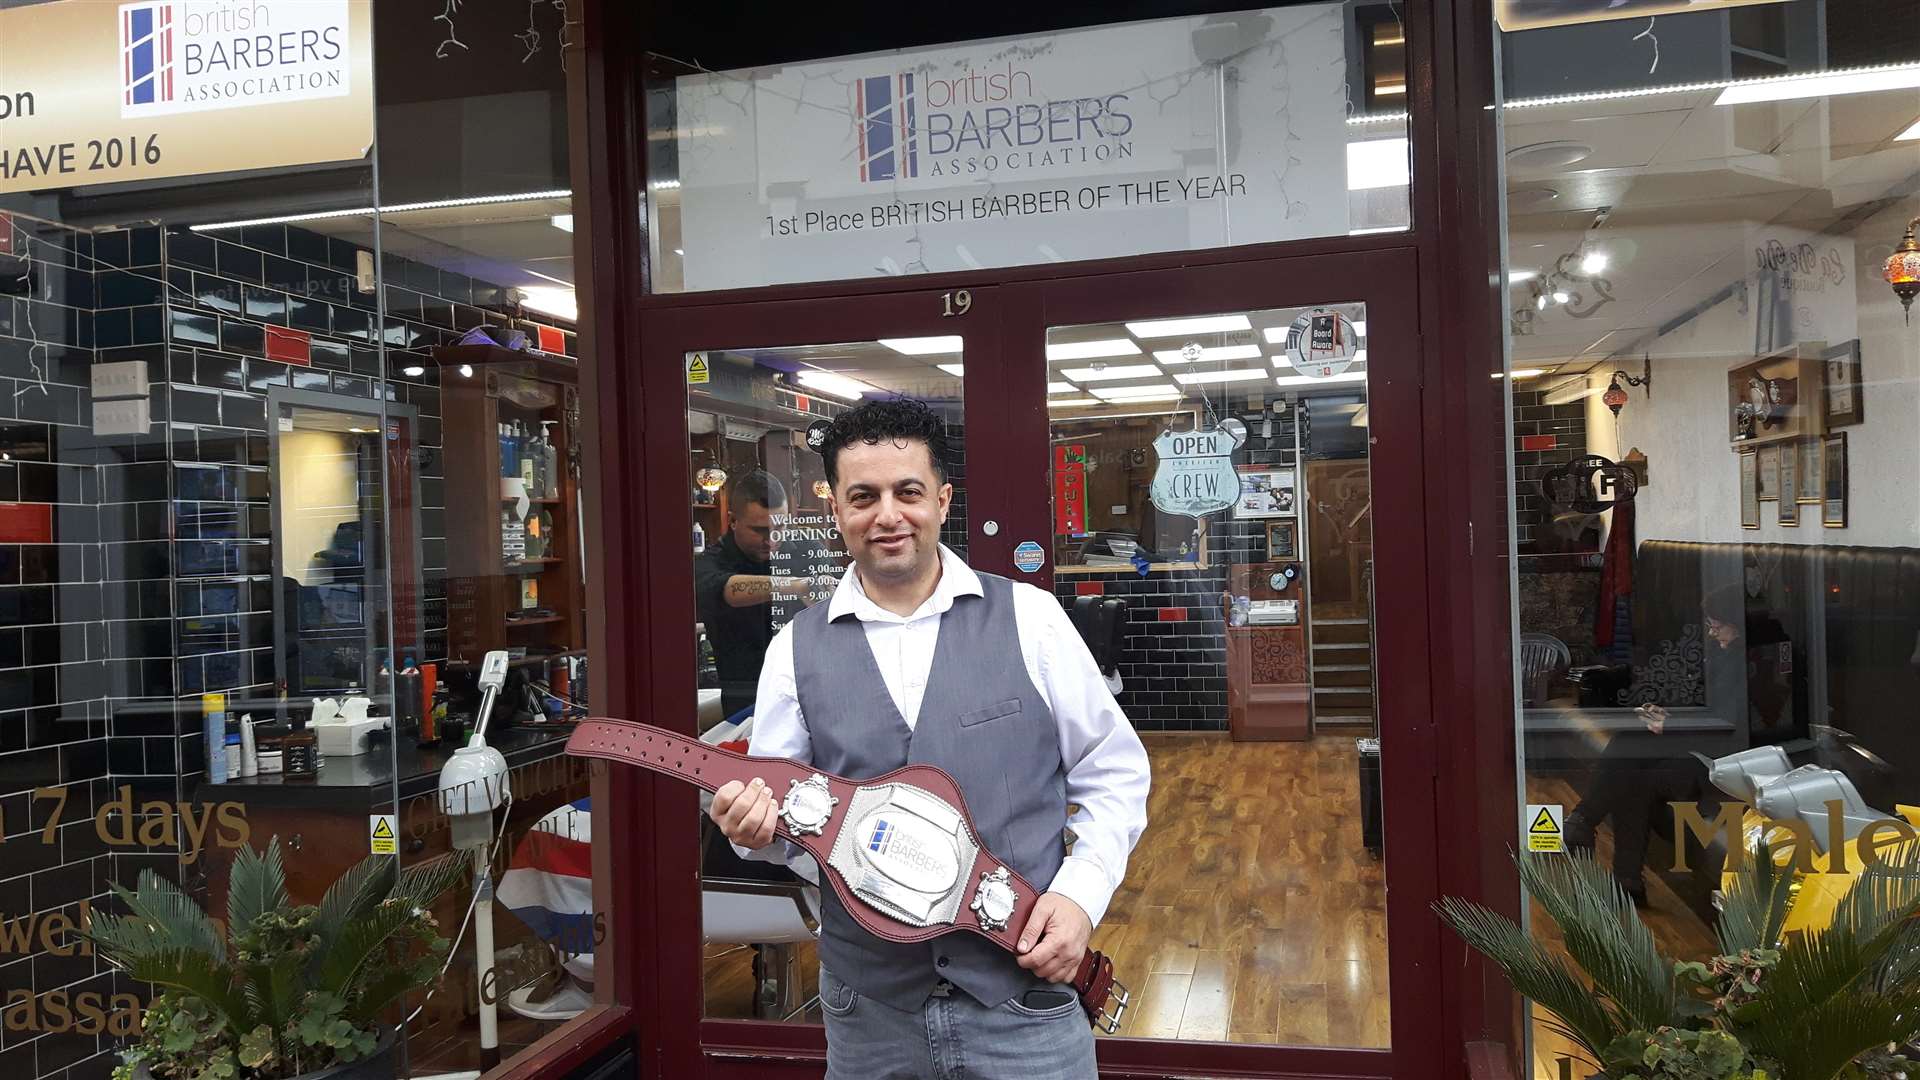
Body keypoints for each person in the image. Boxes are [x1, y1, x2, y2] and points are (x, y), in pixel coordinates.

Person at [709, 398, 1150, 1080]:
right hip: (870, 1015)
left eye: (907, 491)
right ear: (837, 512)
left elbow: (1113, 771)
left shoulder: (1030, 618)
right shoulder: (793, 651)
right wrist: (752, 831)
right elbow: (786, 823)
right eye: (863, 496)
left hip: (1021, 999)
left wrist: (1080, 896)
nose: (887, 515)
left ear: (942, 500)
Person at [1565, 585, 1807, 903]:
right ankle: (1616, 867)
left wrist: (1672, 724)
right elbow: (1713, 708)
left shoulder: (1757, 662)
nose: (1711, 630)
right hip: (1709, 751)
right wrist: (1668, 715)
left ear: (1736, 624)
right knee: (1632, 747)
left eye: (1715, 624)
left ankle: (1595, 837)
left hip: (1733, 764)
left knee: (1633, 777)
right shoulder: (1736, 653)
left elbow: (1737, 728)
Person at [693, 469, 798, 725]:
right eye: (760, 530)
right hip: (746, 700)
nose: (772, 539)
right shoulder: (710, 562)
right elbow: (724, 589)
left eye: (780, 526)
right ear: (733, 521)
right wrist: (795, 586)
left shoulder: (805, 553)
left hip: (807, 693)